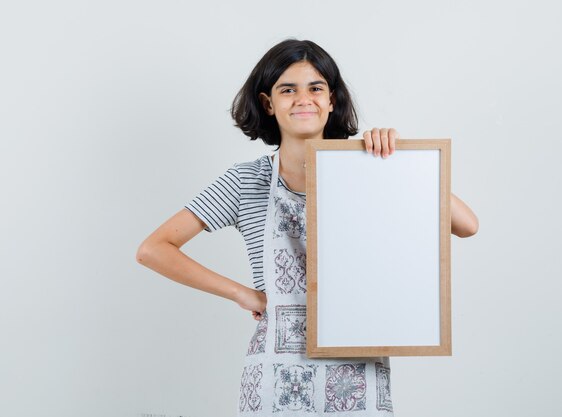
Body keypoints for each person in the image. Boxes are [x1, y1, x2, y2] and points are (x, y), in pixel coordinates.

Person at [136, 39, 479, 416]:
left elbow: (466, 225)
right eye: (288, 89)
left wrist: (399, 162)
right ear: (268, 103)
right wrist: (241, 293)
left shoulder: (368, 171)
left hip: (357, 375)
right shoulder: (245, 181)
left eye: (315, 88)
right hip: (272, 382)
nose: (304, 99)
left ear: (332, 100)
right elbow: (154, 248)